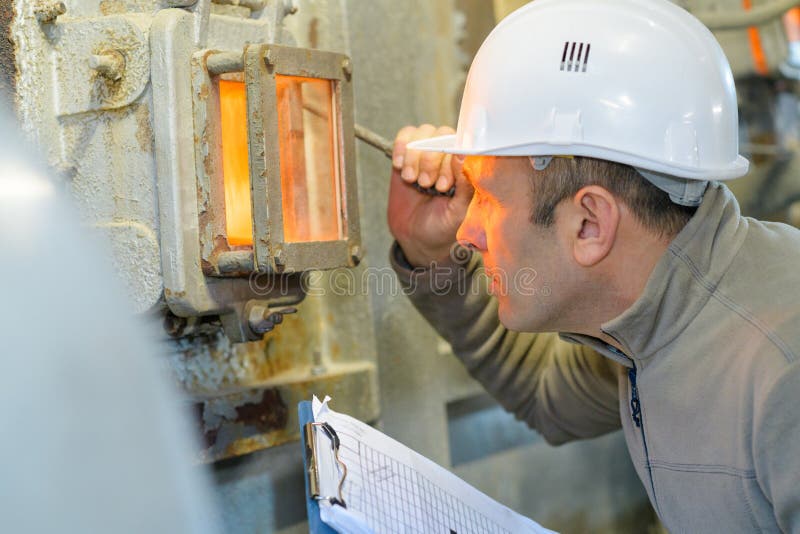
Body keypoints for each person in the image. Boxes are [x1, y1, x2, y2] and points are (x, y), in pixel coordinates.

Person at [387, 0, 800, 532]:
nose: (467, 231)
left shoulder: (781, 368)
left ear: (589, 224)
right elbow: (544, 392)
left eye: (488, 196)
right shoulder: (653, 324)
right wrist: (432, 255)